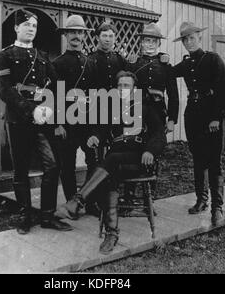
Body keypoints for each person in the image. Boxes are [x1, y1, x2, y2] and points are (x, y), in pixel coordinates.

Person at [58, 71, 166, 254]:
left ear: (134, 89)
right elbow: (99, 129)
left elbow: (159, 134)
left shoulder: (146, 108)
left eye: (127, 86)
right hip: (115, 162)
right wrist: (94, 136)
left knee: (109, 162)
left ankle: (78, 201)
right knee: (109, 176)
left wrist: (150, 150)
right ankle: (112, 234)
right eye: (120, 86)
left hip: (138, 160)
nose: (123, 89)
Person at [0, 9, 72, 234]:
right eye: (27, 25)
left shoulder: (42, 56)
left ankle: (47, 216)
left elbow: (57, 87)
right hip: (18, 121)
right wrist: (31, 109)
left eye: (34, 26)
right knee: (21, 171)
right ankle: (25, 217)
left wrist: (47, 109)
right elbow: (4, 90)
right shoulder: (6, 55)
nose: (31, 29)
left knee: (52, 166)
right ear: (17, 28)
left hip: (43, 122)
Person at [173, 22, 225, 226]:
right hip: (193, 117)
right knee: (198, 160)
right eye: (185, 39)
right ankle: (201, 201)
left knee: (214, 162)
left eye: (192, 38)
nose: (188, 42)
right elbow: (169, 73)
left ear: (199, 37)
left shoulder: (212, 59)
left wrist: (217, 116)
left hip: (212, 117)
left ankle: (217, 208)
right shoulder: (187, 63)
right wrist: (161, 61)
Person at [126, 23, 179, 212]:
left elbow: (173, 94)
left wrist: (172, 119)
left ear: (158, 43)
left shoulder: (165, 65)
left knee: (153, 154)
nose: (149, 44)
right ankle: (129, 198)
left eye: (153, 41)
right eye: (146, 40)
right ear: (140, 42)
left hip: (157, 114)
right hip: (136, 113)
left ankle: (150, 201)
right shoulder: (133, 63)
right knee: (132, 151)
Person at [53, 15, 98, 208]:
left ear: (84, 36)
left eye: (80, 32)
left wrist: (96, 126)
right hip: (67, 122)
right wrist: (57, 123)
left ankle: (88, 199)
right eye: (72, 32)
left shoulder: (91, 62)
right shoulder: (57, 64)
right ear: (65, 35)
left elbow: (96, 95)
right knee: (67, 165)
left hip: (87, 121)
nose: (76, 36)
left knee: (94, 161)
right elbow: (53, 96)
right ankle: (72, 201)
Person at [84, 22, 128, 216]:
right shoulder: (91, 59)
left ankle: (112, 199)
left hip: (117, 114)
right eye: (104, 36)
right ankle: (91, 201)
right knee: (95, 159)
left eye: (111, 36)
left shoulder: (119, 59)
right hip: (96, 112)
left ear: (114, 38)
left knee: (115, 156)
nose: (107, 39)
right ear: (97, 38)